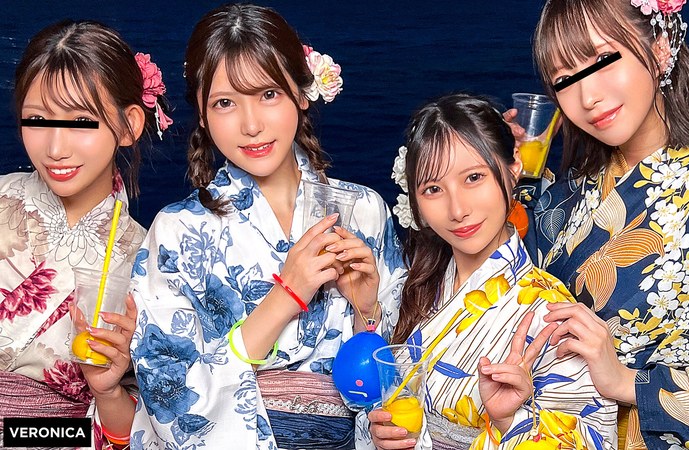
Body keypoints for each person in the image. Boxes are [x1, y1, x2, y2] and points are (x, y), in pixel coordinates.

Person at [129, 4, 406, 449]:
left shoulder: (364, 211)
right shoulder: (176, 231)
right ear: (201, 112)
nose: (252, 124)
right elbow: (169, 397)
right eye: (225, 103)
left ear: (301, 92)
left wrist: (366, 309)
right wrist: (287, 295)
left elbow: (399, 376)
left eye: (269, 94)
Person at [521, 0, 689, 448]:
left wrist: (629, 383)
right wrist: (498, 178)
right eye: (564, 80)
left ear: (661, 47)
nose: (587, 97)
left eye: (604, 59)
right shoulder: (561, 196)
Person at [361, 94, 617, 450]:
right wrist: (382, 432)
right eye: (433, 189)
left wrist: (509, 421)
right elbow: (372, 397)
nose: (457, 210)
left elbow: (592, 439)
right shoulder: (414, 286)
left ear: (513, 169)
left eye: (474, 177)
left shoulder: (550, 312)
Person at [0, 20, 170, 449]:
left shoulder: (150, 259)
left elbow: (129, 438)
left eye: (80, 121)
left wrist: (107, 391)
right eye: (37, 120)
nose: (55, 148)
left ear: (129, 124)